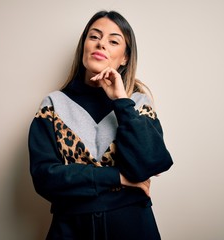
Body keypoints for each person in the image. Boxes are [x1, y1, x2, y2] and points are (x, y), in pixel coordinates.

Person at [28, 10, 173, 240]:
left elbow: (151, 162)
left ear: (124, 57)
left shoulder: (137, 103)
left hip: (134, 229)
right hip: (70, 230)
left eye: (113, 41)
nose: (101, 44)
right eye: (94, 36)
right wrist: (118, 178)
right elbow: (45, 178)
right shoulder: (53, 105)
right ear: (84, 46)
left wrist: (121, 102)